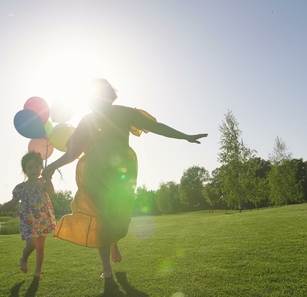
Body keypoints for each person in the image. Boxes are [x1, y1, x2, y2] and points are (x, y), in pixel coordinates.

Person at [42, 78, 207, 278]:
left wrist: (185, 136)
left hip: (120, 172)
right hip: (95, 172)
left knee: (120, 216)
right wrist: (52, 165)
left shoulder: (124, 113)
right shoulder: (87, 121)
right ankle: (106, 268)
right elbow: (74, 152)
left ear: (109, 95)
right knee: (101, 218)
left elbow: (156, 127)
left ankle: (113, 242)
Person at [0, 151, 56, 277]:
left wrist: (48, 178)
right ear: (25, 170)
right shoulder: (20, 188)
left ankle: (38, 271)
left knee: (40, 247)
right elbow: (12, 203)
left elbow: (51, 192)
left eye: (37, 166)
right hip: (28, 220)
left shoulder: (43, 183)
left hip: (43, 219)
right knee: (32, 244)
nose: (34, 170)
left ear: (41, 168)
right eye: (30, 167)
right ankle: (24, 258)